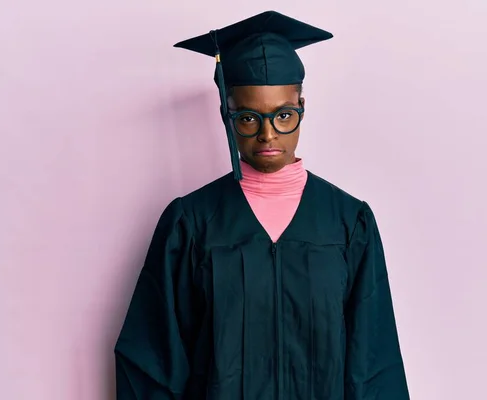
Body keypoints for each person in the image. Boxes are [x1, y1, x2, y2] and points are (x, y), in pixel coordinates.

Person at [114, 10, 410, 400]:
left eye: (284, 115)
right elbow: (152, 360)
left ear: (302, 108)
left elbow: (373, 364)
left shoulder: (349, 222)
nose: (268, 134)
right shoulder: (191, 223)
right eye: (249, 118)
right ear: (228, 114)